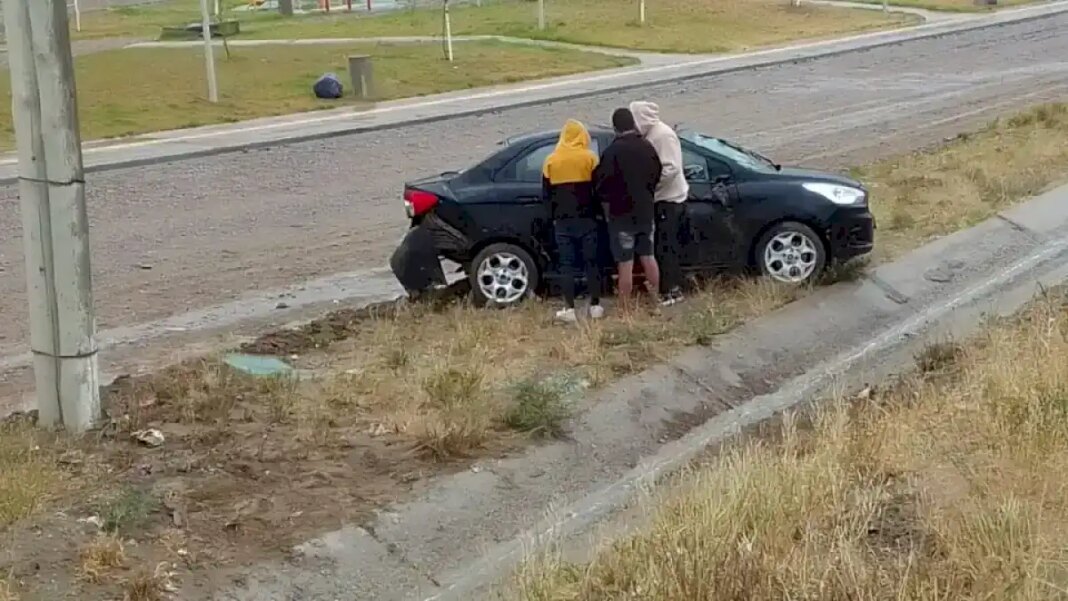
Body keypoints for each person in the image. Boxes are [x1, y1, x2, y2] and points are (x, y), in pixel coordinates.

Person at [594, 108, 662, 309]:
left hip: (621, 214)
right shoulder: (647, 147)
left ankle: (625, 308)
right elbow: (657, 174)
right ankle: (655, 302)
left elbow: (601, 184)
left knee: (625, 264)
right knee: (649, 257)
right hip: (645, 211)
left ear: (615, 127)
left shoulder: (612, 152)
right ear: (633, 123)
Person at [542, 119, 605, 323]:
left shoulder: (551, 161)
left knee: (566, 265)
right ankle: (595, 305)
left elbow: (547, 195)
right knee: (591, 262)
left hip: (562, 222)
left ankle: (569, 308)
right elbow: (599, 190)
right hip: (587, 219)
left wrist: (552, 217)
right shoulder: (590, 158)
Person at [630, 100, 689, 306]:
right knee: (661, 245)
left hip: (669, 199)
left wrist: (650, 190)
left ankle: (672, 290)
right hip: (660, 198)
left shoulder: (662, 136)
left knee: (666, 246)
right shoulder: (649, 135)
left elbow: (670, 169)